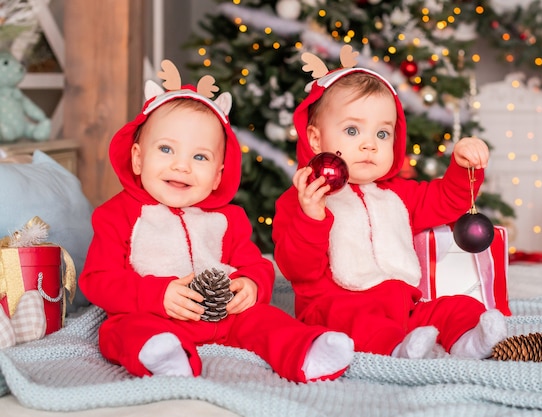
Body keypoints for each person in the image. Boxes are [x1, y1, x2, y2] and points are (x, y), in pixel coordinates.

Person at [79, 60, 354, 382]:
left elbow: (256, 264)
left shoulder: (227, 219)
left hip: (224, 317)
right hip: (152, 312)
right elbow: (98, 278)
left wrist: (251, 285)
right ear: (138, 159)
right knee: (120, 330)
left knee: (265, 318)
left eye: (200, 157)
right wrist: (155, 295)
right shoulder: (117, 214)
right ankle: (164, 355)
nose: (182, 166)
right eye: (166, 149)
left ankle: (306, 352)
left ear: (217, 176)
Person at [272, 63, 508, 360]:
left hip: (403, 306)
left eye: (382, 134)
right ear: (316, 139)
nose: (369, 144)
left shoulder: (398, 194)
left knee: (458, 306)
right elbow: (298, 269)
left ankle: (468, 341)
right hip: (337, 309)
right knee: (358, 323)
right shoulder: (302, 200)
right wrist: (311, 216)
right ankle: (398, 350)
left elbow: (448, 200)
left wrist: (463, 167)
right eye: (352, 130)